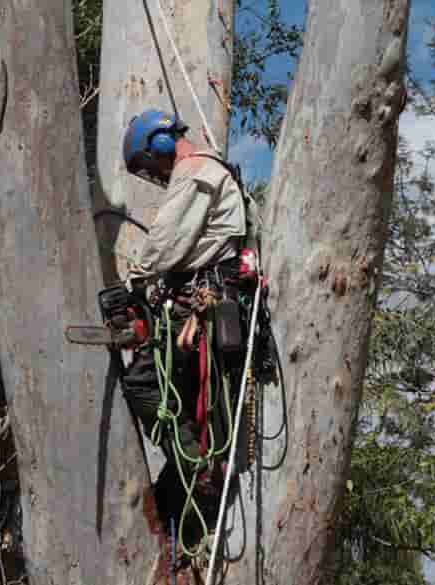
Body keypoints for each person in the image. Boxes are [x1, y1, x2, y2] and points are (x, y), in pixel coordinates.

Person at [119, 109, 247, 510]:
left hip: (199, 304)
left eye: (149, 162)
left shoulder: (193, 173)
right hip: (203, 300)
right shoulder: (210, 170)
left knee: (142, 382)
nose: (153, 173)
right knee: (186, 397)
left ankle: (195, 469)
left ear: (159, 143)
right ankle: (188, 488)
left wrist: (134, 283)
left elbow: (164, 245)